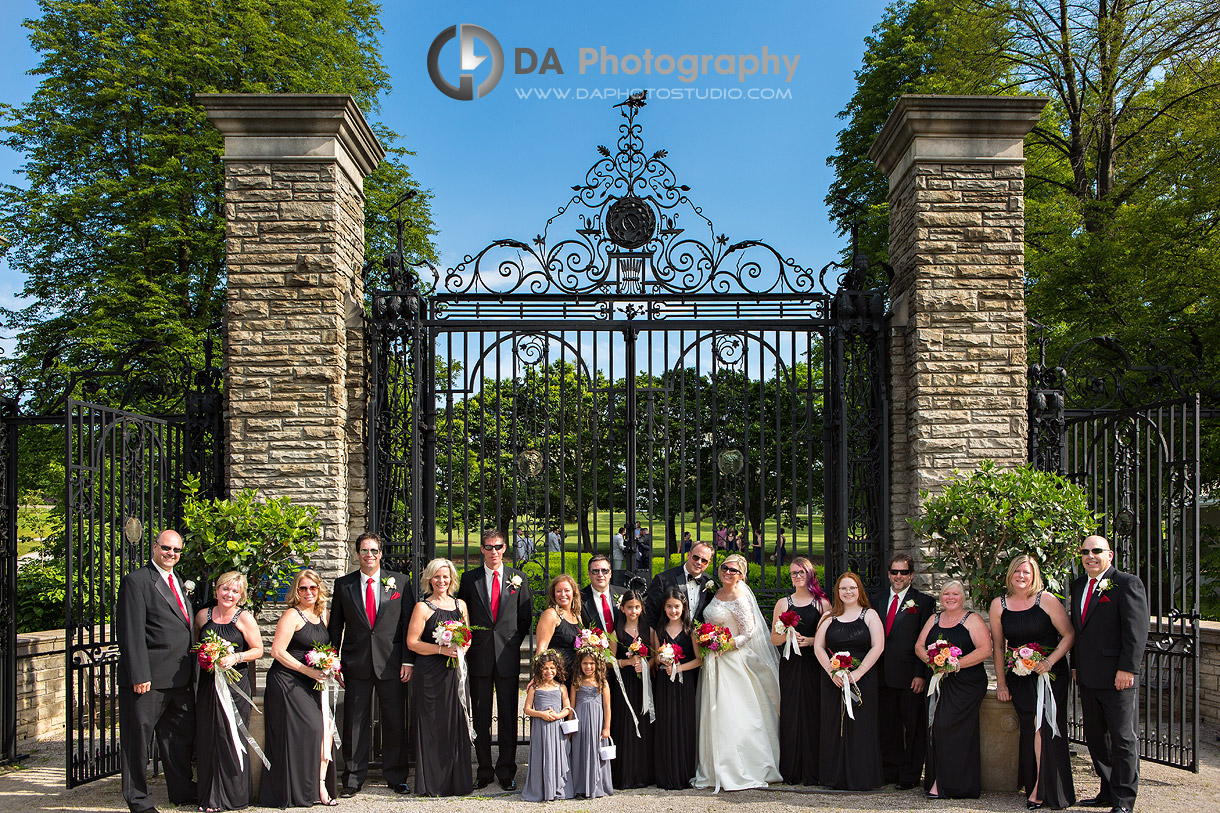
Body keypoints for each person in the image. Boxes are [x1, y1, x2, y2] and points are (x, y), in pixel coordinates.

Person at [326, 532, 415, 797]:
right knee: (354, 722)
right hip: (356, 663)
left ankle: (397, 776)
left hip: (391, 663)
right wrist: (334, 662)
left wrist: (408, 660)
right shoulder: (344, 585)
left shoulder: (400, 583)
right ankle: (352, 779)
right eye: (364, 551)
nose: (369, 555)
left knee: (394, 721)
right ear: (357, 554)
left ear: (380, 553)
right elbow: (335, 628)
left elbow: (407, 623)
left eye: (374, 551)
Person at [117, 529, 196, 813]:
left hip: (179, 677)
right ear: (154, 547)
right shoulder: (136, 582)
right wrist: (139, 675)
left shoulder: (177, 581)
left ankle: (182, 790)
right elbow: (130, 632)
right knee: (138, 742)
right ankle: (138, 800)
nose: (171, 554)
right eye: (166, 548)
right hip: (147, 680)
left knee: (178, 739)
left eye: (176, 550)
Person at [991, 555, 1076, 810]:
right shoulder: (999, 604)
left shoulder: (1047, 600)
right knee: (1031, 728)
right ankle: (1034, 783)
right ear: (1010, 574)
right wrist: (1002, 683)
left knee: (1045, 726)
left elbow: (1069, 635)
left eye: (1026, 572)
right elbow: (998, 647)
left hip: (1050, 677)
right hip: (1019, 677)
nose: (1021, 576)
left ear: (1034, 574)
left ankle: (1043, 789)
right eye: (1017, 571)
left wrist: (1048, 662)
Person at [1071, 535, 1149, 813]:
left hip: (1118, 676)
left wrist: (1127, 668)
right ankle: (1107, 791)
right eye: (1085, 552)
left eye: (1096, 551)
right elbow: (1079, 633)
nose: (1090, 556)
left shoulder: (1127, 583)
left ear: (1110, 555)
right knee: (1096, 737)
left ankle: (1124, 800)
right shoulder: (1079, 585)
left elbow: (1136, 632)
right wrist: (1076, 666)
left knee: (1123, 738)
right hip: (1088, 676)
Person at [693, 553, 782, 791]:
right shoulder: (716, 592)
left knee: (732, 713)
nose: (728, 573)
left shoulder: (741, 598)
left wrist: (724, 645)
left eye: (734, 570)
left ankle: (739, 767)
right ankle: (712, 767)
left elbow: (748, 632)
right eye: (725, 568)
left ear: (741, 575)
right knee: (713, 712)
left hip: (732, 661)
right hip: (713, 660)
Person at [457, 528, 533, 791]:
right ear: (482, 550)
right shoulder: (469, 579)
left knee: (509, 715)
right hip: (479, 656)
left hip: (507, 657)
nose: (493, 552)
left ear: (504, 549)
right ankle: (484, 769)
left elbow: (525, 619)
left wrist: (509, 643)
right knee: (480, 716)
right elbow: (462, 615)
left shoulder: (518, 579)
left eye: (498, 546)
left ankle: (506, 771)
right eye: (488, 547)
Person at [261, 570, 339, 808]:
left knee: (322, 729)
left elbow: (327, 649)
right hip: (287, 680)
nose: (308, 593)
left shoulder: (323, 615)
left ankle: (318, 785)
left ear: (319, 590)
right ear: (296, 591)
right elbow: (277, 652)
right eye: (303, 588)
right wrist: (308, 672)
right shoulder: (291, 615)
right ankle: (297, 790)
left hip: (312, 682)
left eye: (313, 588)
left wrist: (332, 667)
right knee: (310, 728)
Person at [916, 580, 992, 799]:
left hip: (966, 683)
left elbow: (985, 649)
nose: (950, 597)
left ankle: (949, 783)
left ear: (963, 597)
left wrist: (955, 664)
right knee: (934, 727)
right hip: (938, 680)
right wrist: (932, 662)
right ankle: (938, 780)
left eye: (955, 594)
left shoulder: (972, 619)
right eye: (946, 594)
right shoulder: (934, 619)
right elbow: (919, 646)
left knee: (948, 727)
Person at [194, 572, 264, 812]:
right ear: (216, 590)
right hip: (208, 685)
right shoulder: (203, 616)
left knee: (230, 735)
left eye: (235, 591)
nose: (229, 594)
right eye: (225, 589)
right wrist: (208, 656)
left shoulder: (244, 618)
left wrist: (236, 657)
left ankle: (234, 797)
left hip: (235, 686)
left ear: (241, 595)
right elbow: (196, 645)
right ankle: (209, 797)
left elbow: (258, 650)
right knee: (208, 736)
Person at [405, 557, 473, 796]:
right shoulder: (422, 607)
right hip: (430, 672)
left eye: (445, 576)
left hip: (454, 671)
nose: (441, 581)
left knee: (455, 721)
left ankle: (456, 780)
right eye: (437, 576)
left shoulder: (460, 605)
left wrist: (462, 646)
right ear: (429, 579)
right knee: (432, 723)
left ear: (452, 579)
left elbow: (468, 635)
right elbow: (412, 643)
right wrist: (442, 649)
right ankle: (432, 782)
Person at [869, 553, 936, 789]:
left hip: (910, 676)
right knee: (888, 726)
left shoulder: (924, 603)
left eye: (903, 572)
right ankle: (891, 772)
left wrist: (920, 673)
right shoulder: (875, 600)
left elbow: (926, 641)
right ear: (888, 574)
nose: (898, 576)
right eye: (894, 572)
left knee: (913, 727)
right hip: (882, 675)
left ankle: (910, 775)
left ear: (911, 575)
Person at [814, 571, 884, 791]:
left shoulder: (870, 615)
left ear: (859, 590)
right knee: (834, 726)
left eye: (852, 587)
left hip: (862, 678)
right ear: (838, 592)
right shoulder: (828, 617)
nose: (848, 592)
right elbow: (818, 646)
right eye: (843, 588)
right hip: (833, 680)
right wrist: (832, 672)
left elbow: (878, 646)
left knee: (861, 726)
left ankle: (861, 778)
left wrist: (859, 673)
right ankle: (834, 777)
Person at [770, 556, 828, 785]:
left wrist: (811, 640)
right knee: (792, 712)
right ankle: (791, 770)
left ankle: (813, 771)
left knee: (814, 712)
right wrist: (789, 635)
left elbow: (828, 637)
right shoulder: (784, 603)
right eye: (794, 573)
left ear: (810, 573)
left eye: (801, 572)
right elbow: (774, 639)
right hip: (791, 664)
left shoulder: (822, 603)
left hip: (814, 664)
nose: (797, 576)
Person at [650, 588, 702, 789]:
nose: (673, 611)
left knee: (683, 725)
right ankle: (665, 774)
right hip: (664, 683)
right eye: (669, 606)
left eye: (677, 607)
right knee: (666, 724)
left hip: (684, 682)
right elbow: (655, 659)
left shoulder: (691, 630)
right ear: (664, 608)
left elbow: (699, 660)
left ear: (684, 607)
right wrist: (660, 659)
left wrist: (678, 668)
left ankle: (683, 773)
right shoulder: (659, 631)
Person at [610, 588, 654, 788]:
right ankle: (624, 774)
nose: (633, 611)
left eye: (637, 607)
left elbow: (656, 657)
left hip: (643, 684)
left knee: (644, 725)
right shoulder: (616, 632)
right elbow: (608, 661)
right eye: (629, 607)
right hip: (623, 684)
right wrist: (627, 663)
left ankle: (643, 774)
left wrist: (645, 665)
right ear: (622, 608)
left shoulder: (649, 631)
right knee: (625, 725)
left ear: (641, 608)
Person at [521, 651, 574, 802]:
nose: (549, 671)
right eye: (545, 668)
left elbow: (568, 708)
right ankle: (540, 789)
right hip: (540, 728)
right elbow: (527, 709)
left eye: (552, 668)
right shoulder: (535, 688)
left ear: (557, 669)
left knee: (557, 756)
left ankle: (557, 788)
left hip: (557, 729)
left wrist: (558, 716)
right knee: (541, 755)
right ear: (539, 670)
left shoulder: (561, 687)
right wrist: (541, 714)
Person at [569, 651, 613, 798]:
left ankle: (596, 785)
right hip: (581, 721)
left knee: (595, 751)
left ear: (597, 665)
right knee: (580, 751)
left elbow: (607, 706)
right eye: (585, 663)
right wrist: (570, 725)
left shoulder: (602, 682)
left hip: (596, 722)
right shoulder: (576, 681)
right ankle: (580, 786)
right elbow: (572, 706)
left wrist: (606, 727)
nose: (588, 666)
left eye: (592, 663)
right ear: (580, 665)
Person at [644, 540, 714, 630]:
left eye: (704, 560)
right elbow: (651, 615)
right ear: (689, 555)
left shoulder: (710, 583)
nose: (699, 562)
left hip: (698, 641)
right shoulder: (663, 580)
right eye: (696, 557)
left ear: (708, 563)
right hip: (668, 640)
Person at [535, 573, 583, 675]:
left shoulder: (577, 616)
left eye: (567, 590)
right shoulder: (551, 614)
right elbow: (541, 649)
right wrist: (538, 677)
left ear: (574, 593)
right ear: (553, 594)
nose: (563, 594)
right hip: (557, 676)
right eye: (558, 591)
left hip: (575, 676)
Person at [580, 554, 624, 632]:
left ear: (610, 573)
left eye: (604, 571)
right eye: (595, 571)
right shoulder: (579, 598)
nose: (600, 575)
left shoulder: (623, 594)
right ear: (589, 574)